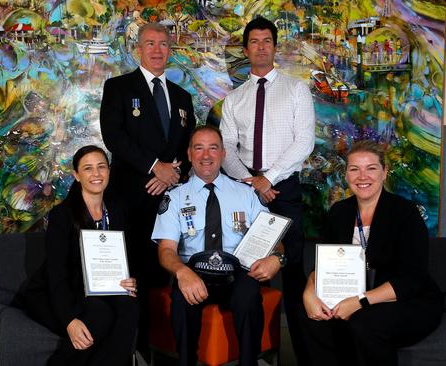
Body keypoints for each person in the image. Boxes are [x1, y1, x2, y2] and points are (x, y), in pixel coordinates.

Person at [219, 16, 315, 364]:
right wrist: (250, 183)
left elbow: (304, 141)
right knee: (247, 270)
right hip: (244, 190)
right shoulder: (234, 99)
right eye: (254, 42)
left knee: (290, 272)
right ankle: (252, 353)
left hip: (283, 189)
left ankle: (302, 356)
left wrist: (269, 179)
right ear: (246, 50)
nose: (260, 47)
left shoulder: (295, 89)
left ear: (275, 47)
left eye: (267, 41)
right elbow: (226, 147)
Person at [152, 125, 285, 366]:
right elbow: (166, 250)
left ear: (223, 153)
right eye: (199, 148)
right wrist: (182, 272)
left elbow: (276, 241)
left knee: (249, 296)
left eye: (213, 148)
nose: (206, 156)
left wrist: (276, 258)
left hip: (238, 273)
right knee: (182, 301)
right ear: (189, 154)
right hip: (193, 272)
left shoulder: (247, 193)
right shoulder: (175, 197)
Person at [301, 140, 443, 366]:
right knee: (313, 319)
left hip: (409, 300)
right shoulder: (339, 212)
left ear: (384, 172)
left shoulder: (405, 213)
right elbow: (322, 264)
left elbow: (411, 280)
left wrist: (359, 301)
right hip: (352, 296)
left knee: (363, 322)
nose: (362, 176)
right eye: (354, 169)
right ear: (346, 174)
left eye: (371, 168)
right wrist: (309, 293)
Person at [100, 22, 196, 352]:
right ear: (138, 49)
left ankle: (159, 347)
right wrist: (156, 168)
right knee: (133, 276)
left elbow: (188, 147)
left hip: (169, 203)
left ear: (171, 49)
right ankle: (131, 347)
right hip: (130, 199)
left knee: (163, 275)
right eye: (150, 43)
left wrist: (172, 173)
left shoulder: (183, 98)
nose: (157, 50)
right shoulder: (118, 88)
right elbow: (114, 137)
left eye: (164, 44)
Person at [22, 145, 139, 366]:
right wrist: (69, 320)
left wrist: (130, 279)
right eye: (88, 168)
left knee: (130, 307)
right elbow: (57, 274)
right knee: (100, 315)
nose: (96, 174)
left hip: (98, 290)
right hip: (55, 292)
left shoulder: (117, 211)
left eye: (101, 167)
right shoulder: (62, 215)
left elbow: (127, 257)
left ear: (109, 171)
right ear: (76, 175)